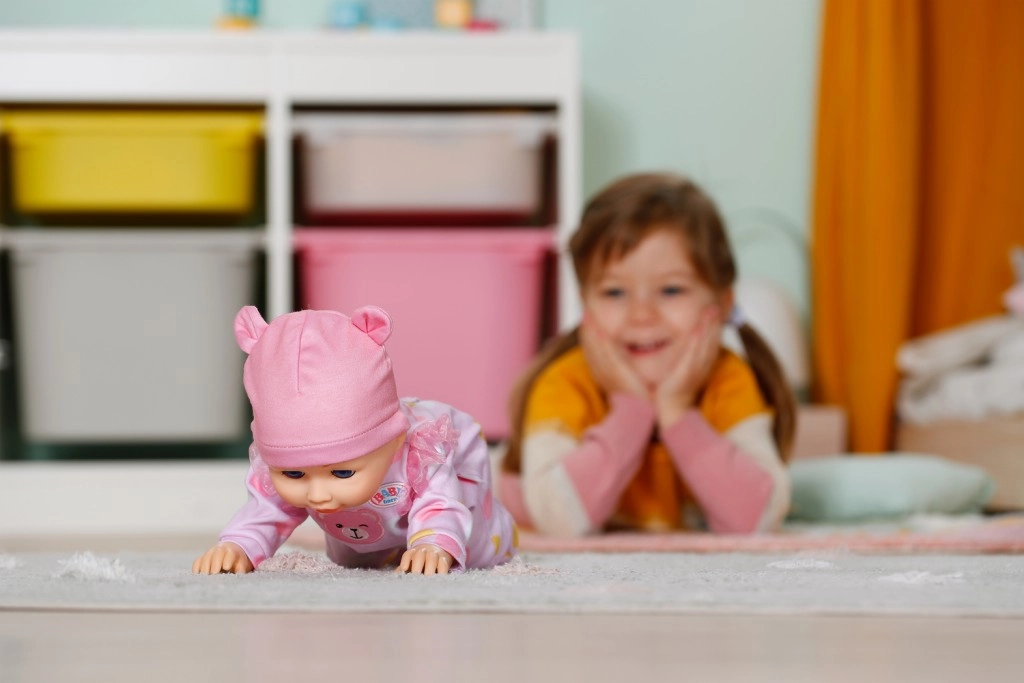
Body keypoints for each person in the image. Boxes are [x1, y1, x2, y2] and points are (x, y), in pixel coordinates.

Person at [500, 172, 796, 537]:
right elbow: (557, 520)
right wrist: (632, 409)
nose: (641, 315)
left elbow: (758, 519)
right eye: (614, 293)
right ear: (586, 307)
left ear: (721, 304)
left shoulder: (727, 380)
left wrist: (677, 411)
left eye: (671, 290)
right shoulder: (565, 383)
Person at [193, 305, 518, 575]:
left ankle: (491, 532)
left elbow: (439, 503)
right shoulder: (285, 462)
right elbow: (265, 510)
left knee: (473, 546)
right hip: (361, 526)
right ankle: (383, 546)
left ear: (393, 442)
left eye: (342, 472)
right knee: (355, 561)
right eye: (293, 473)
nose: (318, 495)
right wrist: (237, 546)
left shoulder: (420, 453)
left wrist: (433, 545)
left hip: (457, 476)